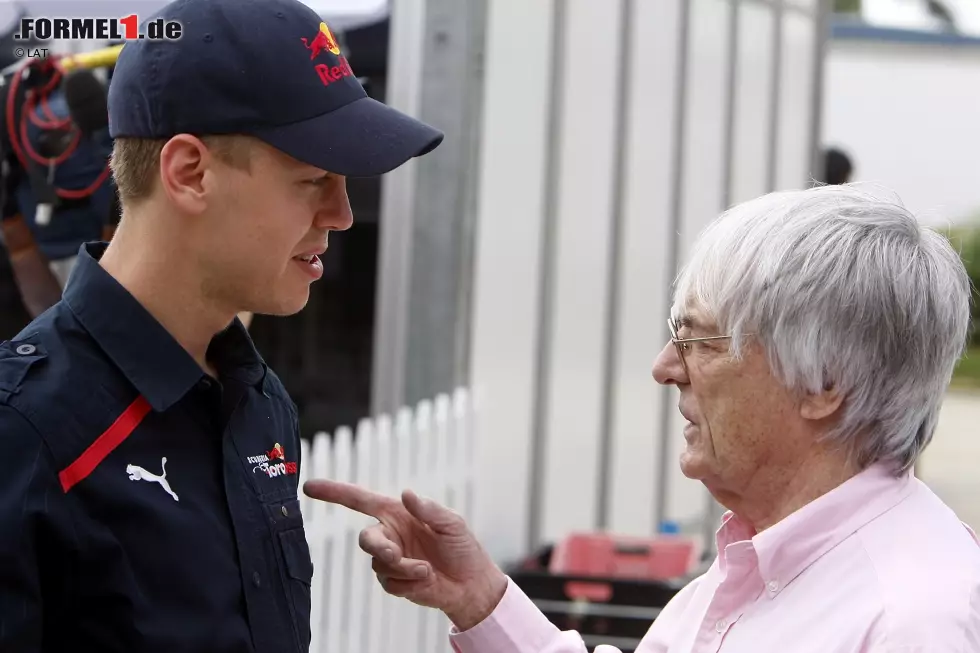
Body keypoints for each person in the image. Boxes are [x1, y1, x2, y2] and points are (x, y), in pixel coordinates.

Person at [306, 184, 980, 652]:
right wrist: (482, 600)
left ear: (825, 382)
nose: (665, 366)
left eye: (699, 340)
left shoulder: (910, 618)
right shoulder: (769, 559)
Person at [0, 0, 442, 650]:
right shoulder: (23, 431)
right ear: (189, 172)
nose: (343, 213)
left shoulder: (260, 404)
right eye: (314, 177)